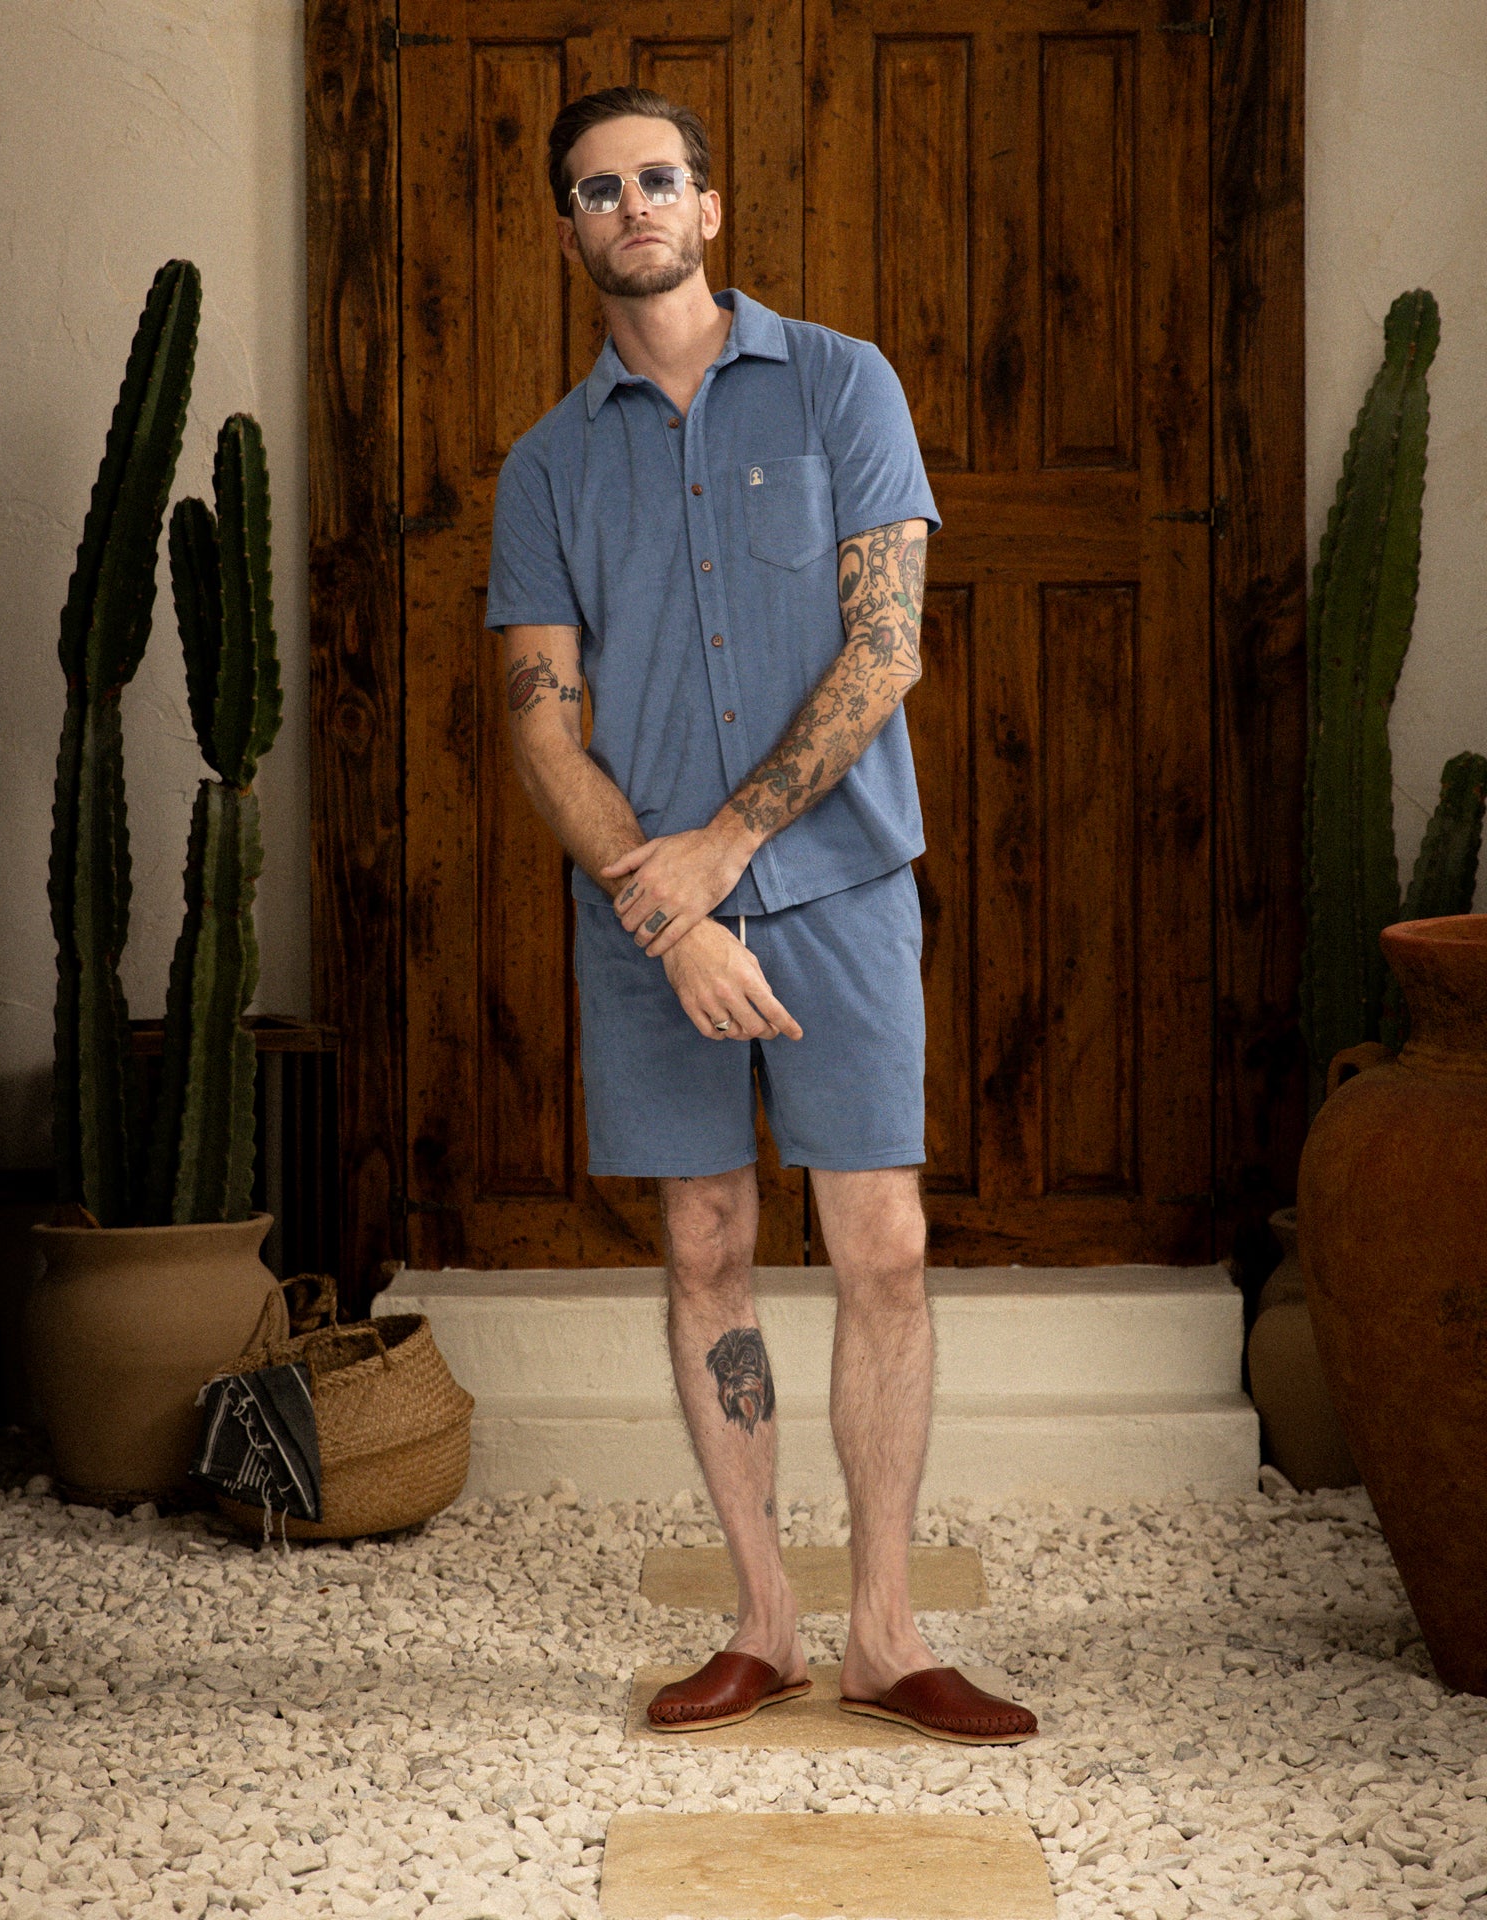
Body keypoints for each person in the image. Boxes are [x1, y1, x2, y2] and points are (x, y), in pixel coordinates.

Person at [485, 85, 1038, 1746]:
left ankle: (882, 1633)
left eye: (660, 179)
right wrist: (672, 908)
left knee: (884, 1246)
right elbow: (537, 722)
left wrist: (728, 850)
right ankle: (764, 1623)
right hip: (651, 915)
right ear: (570, 227)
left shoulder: (845, 384)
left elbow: (888, 651)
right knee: (708, 1247)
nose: (633, 205)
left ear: (709, 208)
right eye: (599, 189)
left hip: (837, 890)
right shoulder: (546, 467)